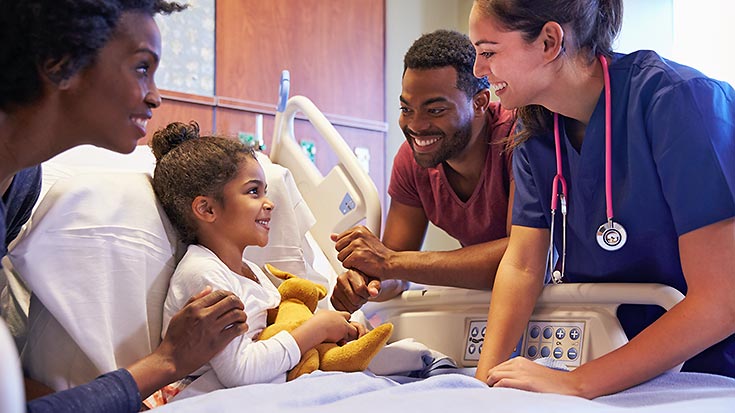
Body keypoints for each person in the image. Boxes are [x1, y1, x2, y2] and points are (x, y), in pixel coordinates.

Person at [468, 0, 735, 398]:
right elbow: (523, 264)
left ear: (549, 41)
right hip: (604, 354)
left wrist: (578, 382)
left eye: (488, 52)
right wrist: (483, 382)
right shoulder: (535, 131)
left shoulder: (680, 102)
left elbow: (722, 300)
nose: (478, 70)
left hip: (707, 367)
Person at [0, 1, 248, 412]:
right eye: (141, 67)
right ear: (61, 61)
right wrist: (167, 361)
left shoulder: (22, 181)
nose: (155, 95)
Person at [152, 122, 365, 396]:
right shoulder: (203, 274)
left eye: (265, 191)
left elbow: (281, 329)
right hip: (207, 397)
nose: (269, 202)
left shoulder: (251, 270)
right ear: (206, 209)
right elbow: (240, 372)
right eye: (254, 191)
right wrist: (318, 329)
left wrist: (339, 333)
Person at [330, 29, 516, 313]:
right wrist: (366, 283)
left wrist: (389, 263)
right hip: (494, 303)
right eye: (407, 109)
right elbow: (396, 269)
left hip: (573, 296)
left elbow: (521, 258)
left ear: (479, 103)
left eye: (435, 110)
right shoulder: (412, 161)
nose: (416, 126)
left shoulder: (518, 140)